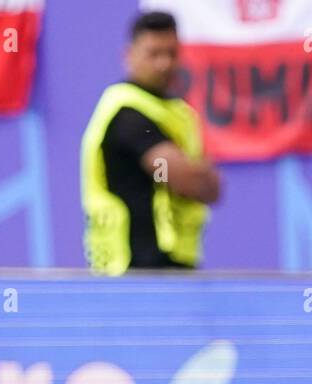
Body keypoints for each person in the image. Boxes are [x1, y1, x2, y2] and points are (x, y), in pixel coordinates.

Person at [81, 10, 220, 275]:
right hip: (132, 269)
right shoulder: (127, 113)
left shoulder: (178, 112)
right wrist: (196, 172)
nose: (164, 63)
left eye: (172, 53)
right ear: (129, 55)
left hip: (174, 266)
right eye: (154, 53)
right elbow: (188, 180)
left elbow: (212, 189)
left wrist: (197, 177)